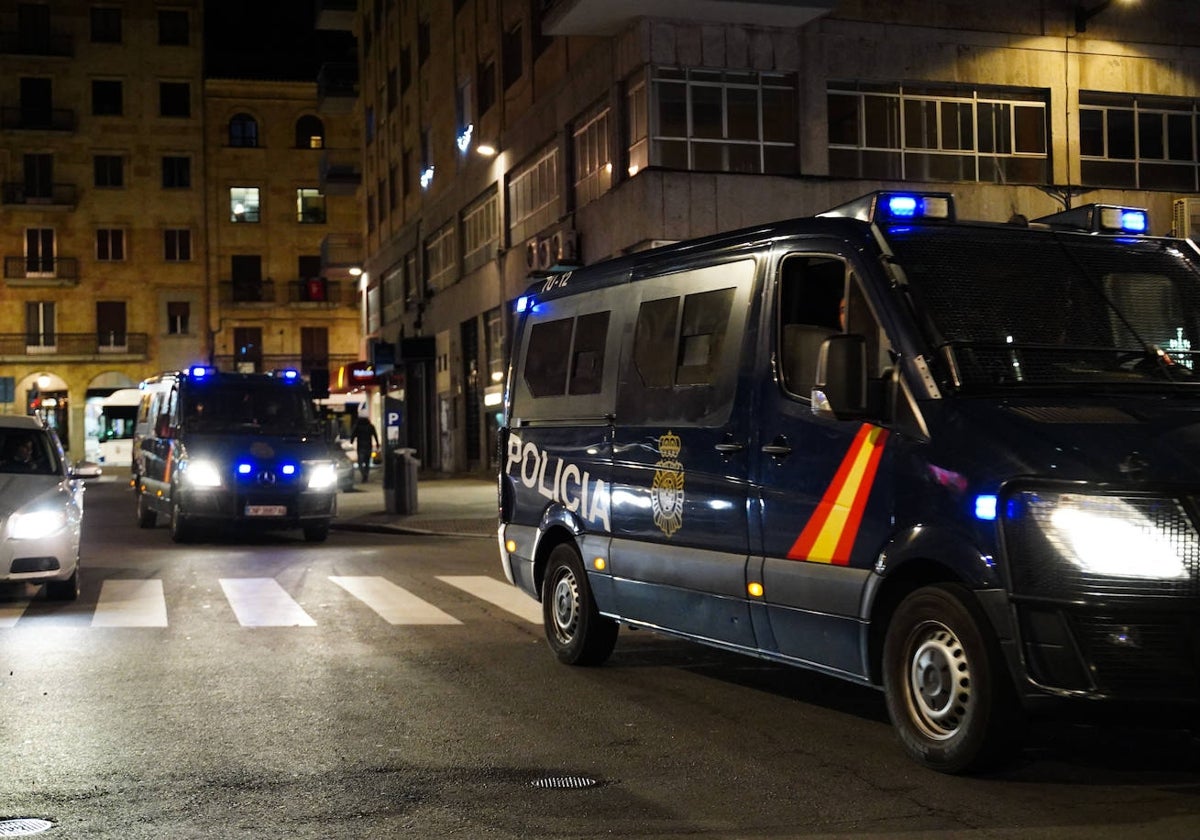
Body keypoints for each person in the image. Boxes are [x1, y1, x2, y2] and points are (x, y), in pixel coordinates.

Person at [351, 415, 380, 482]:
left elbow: (353, 434)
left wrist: (351, 441)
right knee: (367, 462)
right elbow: (375, 435)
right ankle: (366, 475)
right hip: (368, 446)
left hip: (360, 446)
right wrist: (377, 443)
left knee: (360, 462)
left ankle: (363, 474)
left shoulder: (357, 427)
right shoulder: (371, 427)